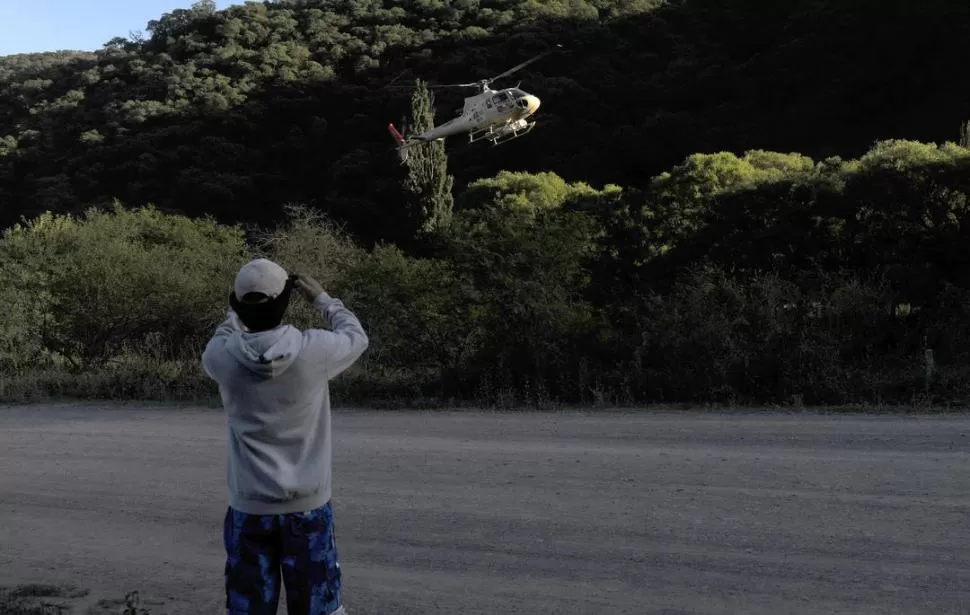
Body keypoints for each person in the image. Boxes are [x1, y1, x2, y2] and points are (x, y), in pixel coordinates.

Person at [202, 258, 369, 615]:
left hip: (249, 507)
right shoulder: (315, 351)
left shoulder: (221, 357)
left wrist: (237, 310)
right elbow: (357, 336)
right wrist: (323, 300)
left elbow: (225, 331)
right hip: (308, 507)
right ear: (285, 303)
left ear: (236, 305)